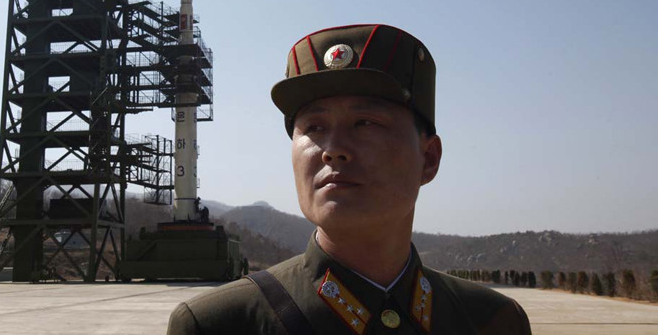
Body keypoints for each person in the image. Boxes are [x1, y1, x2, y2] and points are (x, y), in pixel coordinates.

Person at [166, 24, 531, 334]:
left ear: (429, 159)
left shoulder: (492, 321)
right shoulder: (219, 325)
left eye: (365, 123)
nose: (333, 149)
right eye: (314, 127)